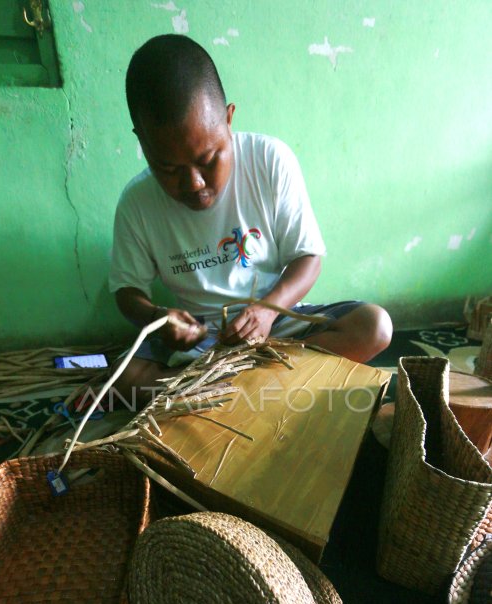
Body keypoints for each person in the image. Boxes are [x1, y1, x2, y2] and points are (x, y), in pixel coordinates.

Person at [110, 34, 392, 401]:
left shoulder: (270, 160)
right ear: (142, 142)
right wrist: (159, 318)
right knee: (124, 376)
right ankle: (259, 388)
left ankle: (223, 394)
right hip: (202, 345)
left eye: (209, 159)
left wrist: (266, 312)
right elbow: (128, 292)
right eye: (168, 168)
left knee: (375, 326)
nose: (194, 183)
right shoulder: (137, 202)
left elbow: (308, 260)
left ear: (228, 119)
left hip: (280, 326)